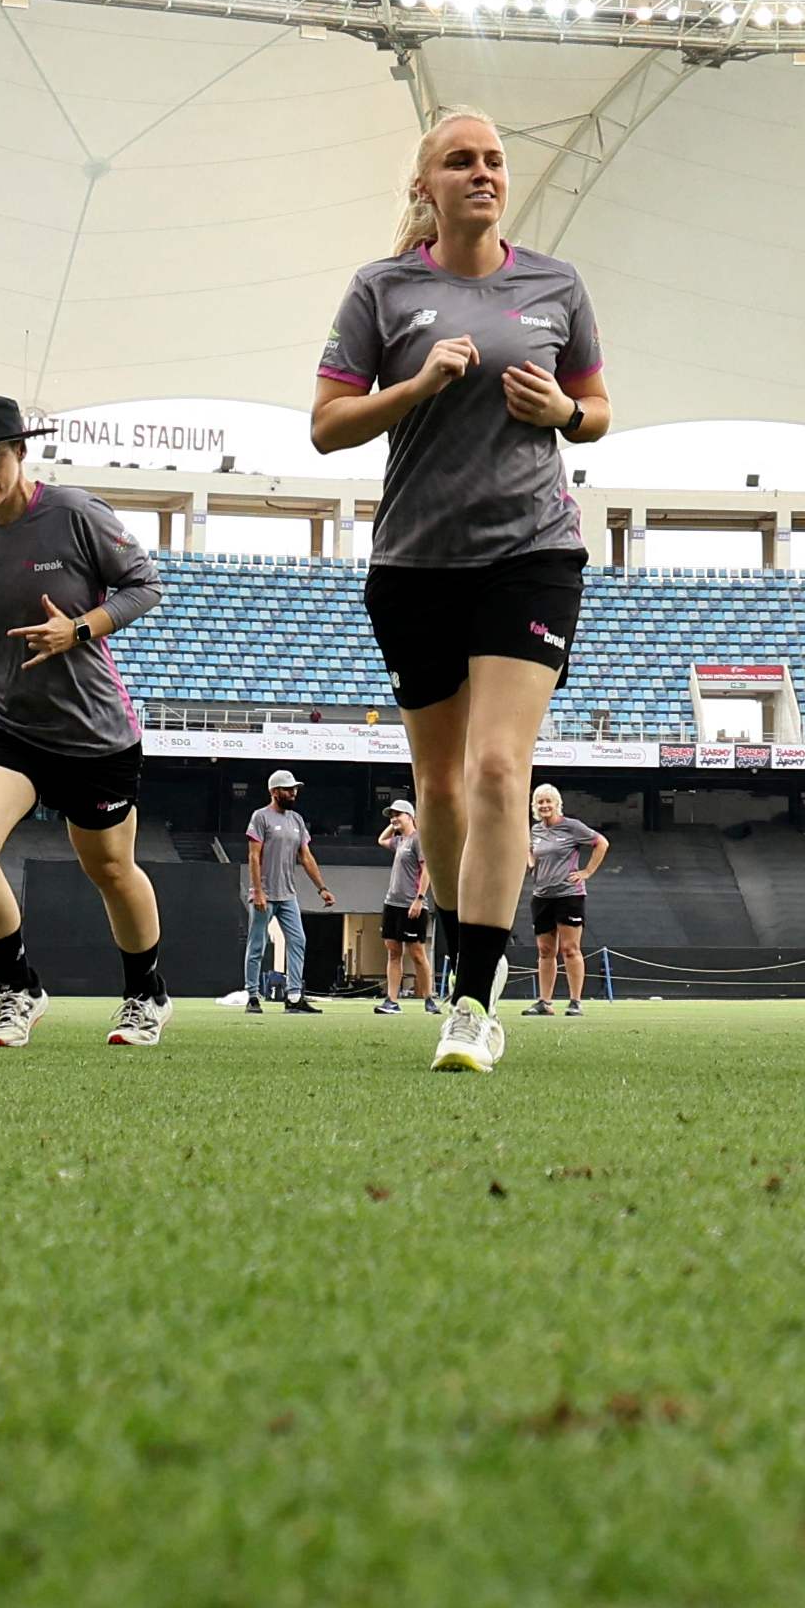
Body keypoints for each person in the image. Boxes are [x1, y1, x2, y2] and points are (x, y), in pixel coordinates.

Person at [314, 104, 614, 1075]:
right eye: (460, 161)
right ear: (425, 186)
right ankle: (461, 948)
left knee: (496, 771)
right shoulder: (383, 289)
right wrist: (414, 390)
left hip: (531, 553)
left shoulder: (557, 284)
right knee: (439, 788)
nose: (482, 172)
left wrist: (566, 410)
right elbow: (326, 426)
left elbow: (598, 410)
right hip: (414, 564)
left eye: (493, 159)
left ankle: (476, 1001)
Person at [0, 395, 174, 1049]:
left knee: (110, 869)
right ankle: (18, 988)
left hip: (92, 733)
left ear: (20, 453)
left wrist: (79, 629)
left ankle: (146, 994)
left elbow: (144, 585)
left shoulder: (74, 512)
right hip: (5, 720)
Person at [228, 768, 331, 1013]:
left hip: (288, 895)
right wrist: (259, 892)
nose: (293, 793)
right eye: (288, 789)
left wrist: (322, 888)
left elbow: (306, 857)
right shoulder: (260, 817)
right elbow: (253, 857)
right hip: (265, 894)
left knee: (298, 941)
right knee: (257, 945)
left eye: (294, 789)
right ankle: (252, 996)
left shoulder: (296, 819)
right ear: (275, 792)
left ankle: (294, 998)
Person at [519, 780, 614, 1016]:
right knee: (544, 950)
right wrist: (531, 863)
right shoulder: (536, 830)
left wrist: (586, 872)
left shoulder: (572, 827)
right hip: (541, 896)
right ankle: (544, 1001)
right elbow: (530, 851)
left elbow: (601, 843)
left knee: (570, 948)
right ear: (535, 805)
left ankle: (575, 1001)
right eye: (540, 802)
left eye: (548, 801)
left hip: (569, 895)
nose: (544, 805)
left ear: (557, 804)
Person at [367, 801, 433, 1014]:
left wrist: (419, 899)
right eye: (391, 815)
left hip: (411, 904)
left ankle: (429, 998)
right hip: (392, 904)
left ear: (410, 816)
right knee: (393, 952)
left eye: (398, 815)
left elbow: (426, 870)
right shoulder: (400, 841)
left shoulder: (418, 839)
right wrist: (394, 824)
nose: (394, 818)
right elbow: (381, 839)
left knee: (416, 953)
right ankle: (392, 1000)